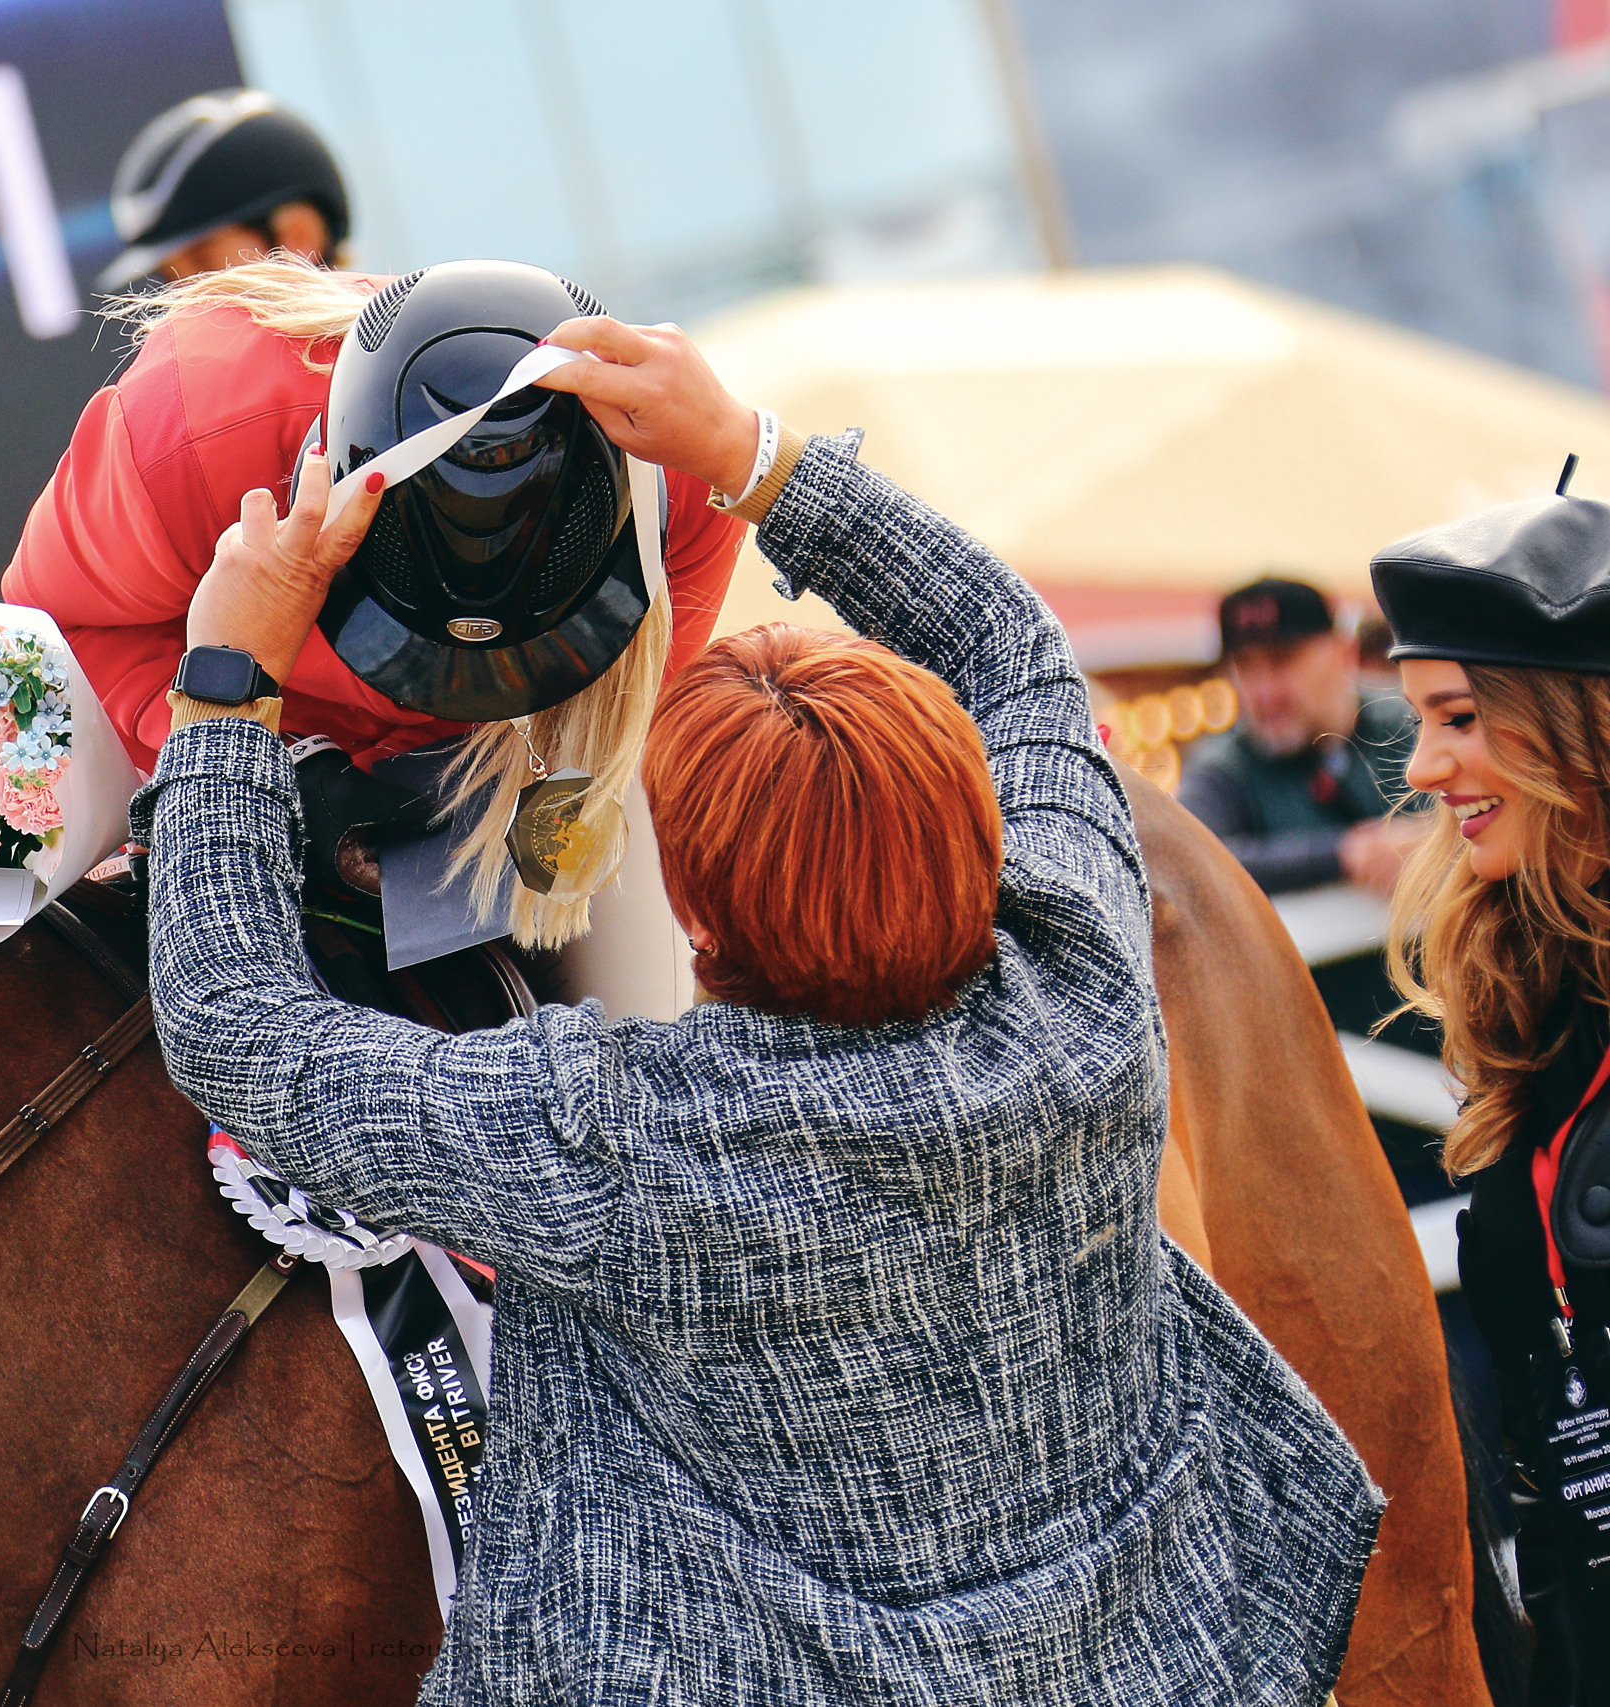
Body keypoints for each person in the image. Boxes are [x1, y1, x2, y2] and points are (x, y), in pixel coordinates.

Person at [131, 316, 1379, 1701]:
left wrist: (224, 680)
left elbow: (234, 1021)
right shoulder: (1082, 989)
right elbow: (1015, 649)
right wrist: (747, 451)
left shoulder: (621, 1139)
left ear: (703, 923)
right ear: (977, 830)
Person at [3, 259, 748, 1016]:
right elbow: (66, 634)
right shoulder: (185, 433)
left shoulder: (684, 469)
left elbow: (631, 722)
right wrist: (269, 760)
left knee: (651, 1023)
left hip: (505, 769)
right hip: (248, 729)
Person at [1378, 494, 1610, 1703]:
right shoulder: (1531, 997)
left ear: (1575, 722)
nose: (1421, 767)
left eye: (1457, 719)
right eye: (1420, 722)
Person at [1176, 574, 1424, 894]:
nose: (1265, 691)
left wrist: (1432, 838)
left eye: (1283, 660)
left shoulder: (1412, 723)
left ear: (1343, 652)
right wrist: (1344, 853)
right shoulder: (1224, 767)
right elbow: (1192, 860)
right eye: (1246, 667)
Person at [95, 90, 350, 292]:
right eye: (171, 281)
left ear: (298, 237)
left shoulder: (373, 340)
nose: (188, 301)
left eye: (204, 264)